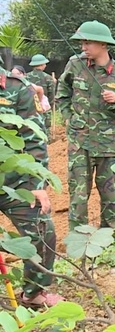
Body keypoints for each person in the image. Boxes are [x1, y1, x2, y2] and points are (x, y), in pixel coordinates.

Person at [56, 20, 115, 231]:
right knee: (78, 196)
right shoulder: (75, 64)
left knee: (110, 197)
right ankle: (78, 240)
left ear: (103, 44)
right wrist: (68, 118)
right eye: (82, 43)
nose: (83, 47)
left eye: (88, 43)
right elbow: (62, 93)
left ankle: (110, 241)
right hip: (79, 143)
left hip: (109, 146)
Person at [0, 64, 63, 308]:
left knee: (42, 232)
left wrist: (36, 184)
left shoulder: (18, 89)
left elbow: (34, 139)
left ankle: (34, 293)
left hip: (14, 183)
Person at [26, 54, 55, 141]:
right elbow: (51, 94)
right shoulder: (48, 78)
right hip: (43, 104)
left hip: (29, 104)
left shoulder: (25, 77)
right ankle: (47, 140)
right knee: (45, 124)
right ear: (42, 65)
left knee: (30, 123)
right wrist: (50, 104)